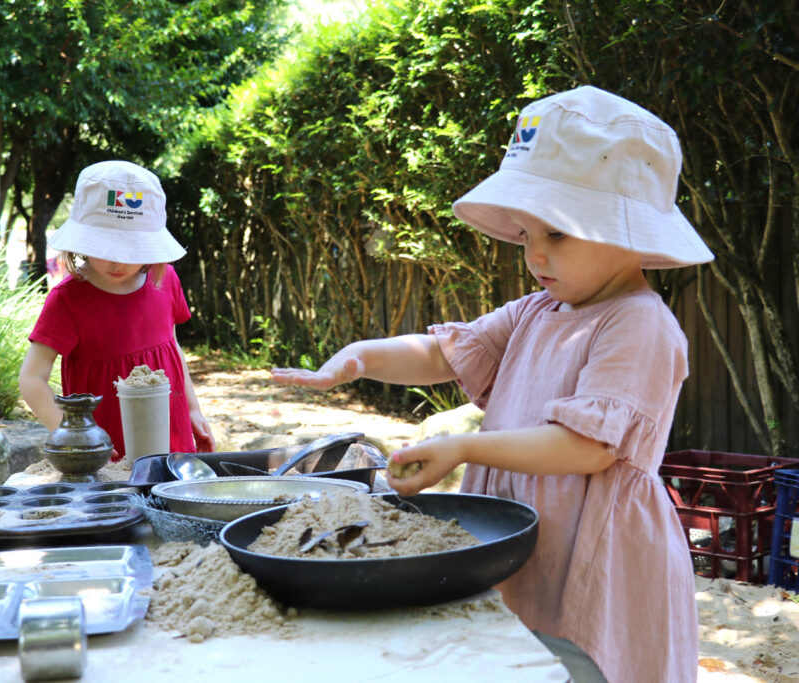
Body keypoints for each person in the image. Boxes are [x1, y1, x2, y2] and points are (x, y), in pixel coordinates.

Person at [271, 86, 713, 683]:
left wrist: (465, 446)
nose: (535, 254)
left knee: (587, 662)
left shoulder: (639, 324)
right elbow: (439, 353)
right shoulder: (537, 310)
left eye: (556, 234)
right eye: (527, 234)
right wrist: (358, 358)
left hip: (598, 549)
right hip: (523, 533)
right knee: (523, 657)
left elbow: (587, 448)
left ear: (626, 228)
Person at [19, 160, 215, 459]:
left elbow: (172, 347)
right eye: (106, 247)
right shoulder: (67, 300)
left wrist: (193, 409)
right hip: (107, 449)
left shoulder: (165, 281)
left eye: (132, 249)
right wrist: (76, 438)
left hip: (169, 434)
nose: (117, 262)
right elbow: (32, 378)